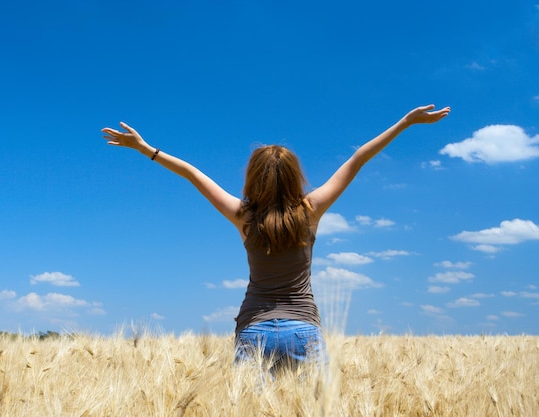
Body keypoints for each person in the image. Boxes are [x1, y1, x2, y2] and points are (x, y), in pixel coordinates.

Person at [102, 104, 450, 371]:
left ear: (253, 178)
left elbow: (193, 174)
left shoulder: (243, 216)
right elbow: (358, 158)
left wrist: (145, 149)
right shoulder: (310, 210)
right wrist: (406, 123)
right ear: (294, 177)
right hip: (304, 330)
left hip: (254, 331)